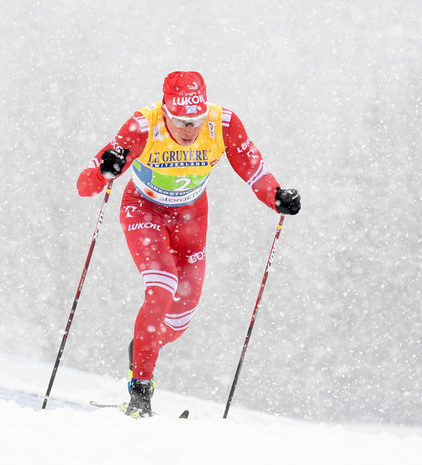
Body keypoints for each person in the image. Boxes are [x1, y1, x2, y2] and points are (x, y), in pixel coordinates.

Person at [76, 71, 301, 417]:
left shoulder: (222, 124)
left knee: (181, 317)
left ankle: (143, 346)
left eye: (194, 121)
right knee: (162, 285)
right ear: (164, 110)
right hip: (144, 209)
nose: (188, 130)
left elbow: (254, 171)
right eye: (180, 121)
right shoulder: (142, 125)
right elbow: (85, 185)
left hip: (191, 218)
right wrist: (104, 171)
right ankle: (141, 393)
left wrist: (277, 198)